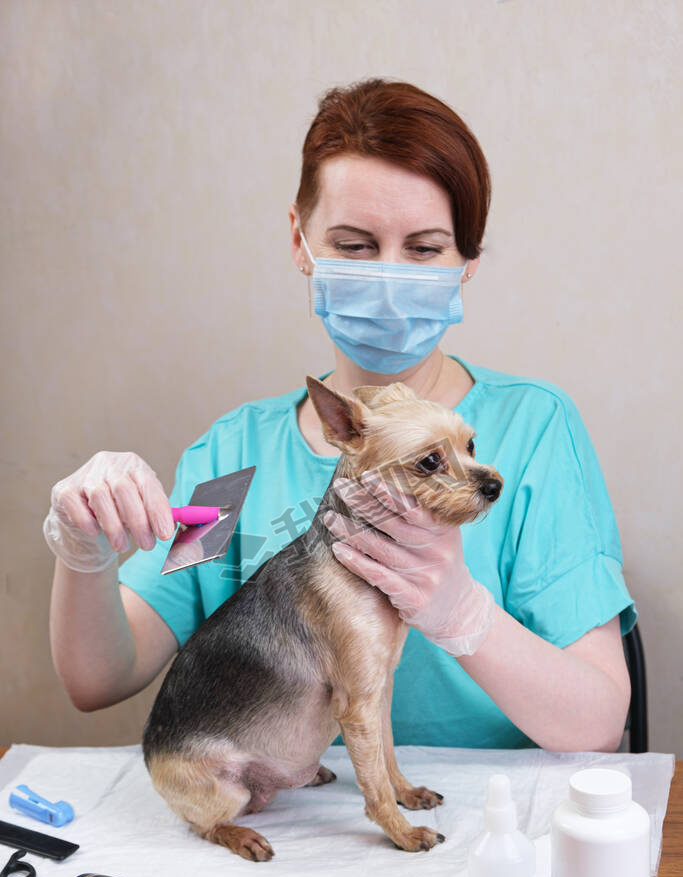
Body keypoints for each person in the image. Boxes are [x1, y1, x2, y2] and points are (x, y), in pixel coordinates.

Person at [43, 78, 636, 752]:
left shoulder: (531, 433)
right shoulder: (234, 463)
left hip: (481, 823)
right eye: (353, 246)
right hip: (286, 822)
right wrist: (82, 545)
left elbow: (596, 724)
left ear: (466, 260)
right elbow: (101, 678)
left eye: (423, 249)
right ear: (300, 243)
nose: (387, 277)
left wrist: (465, 617)